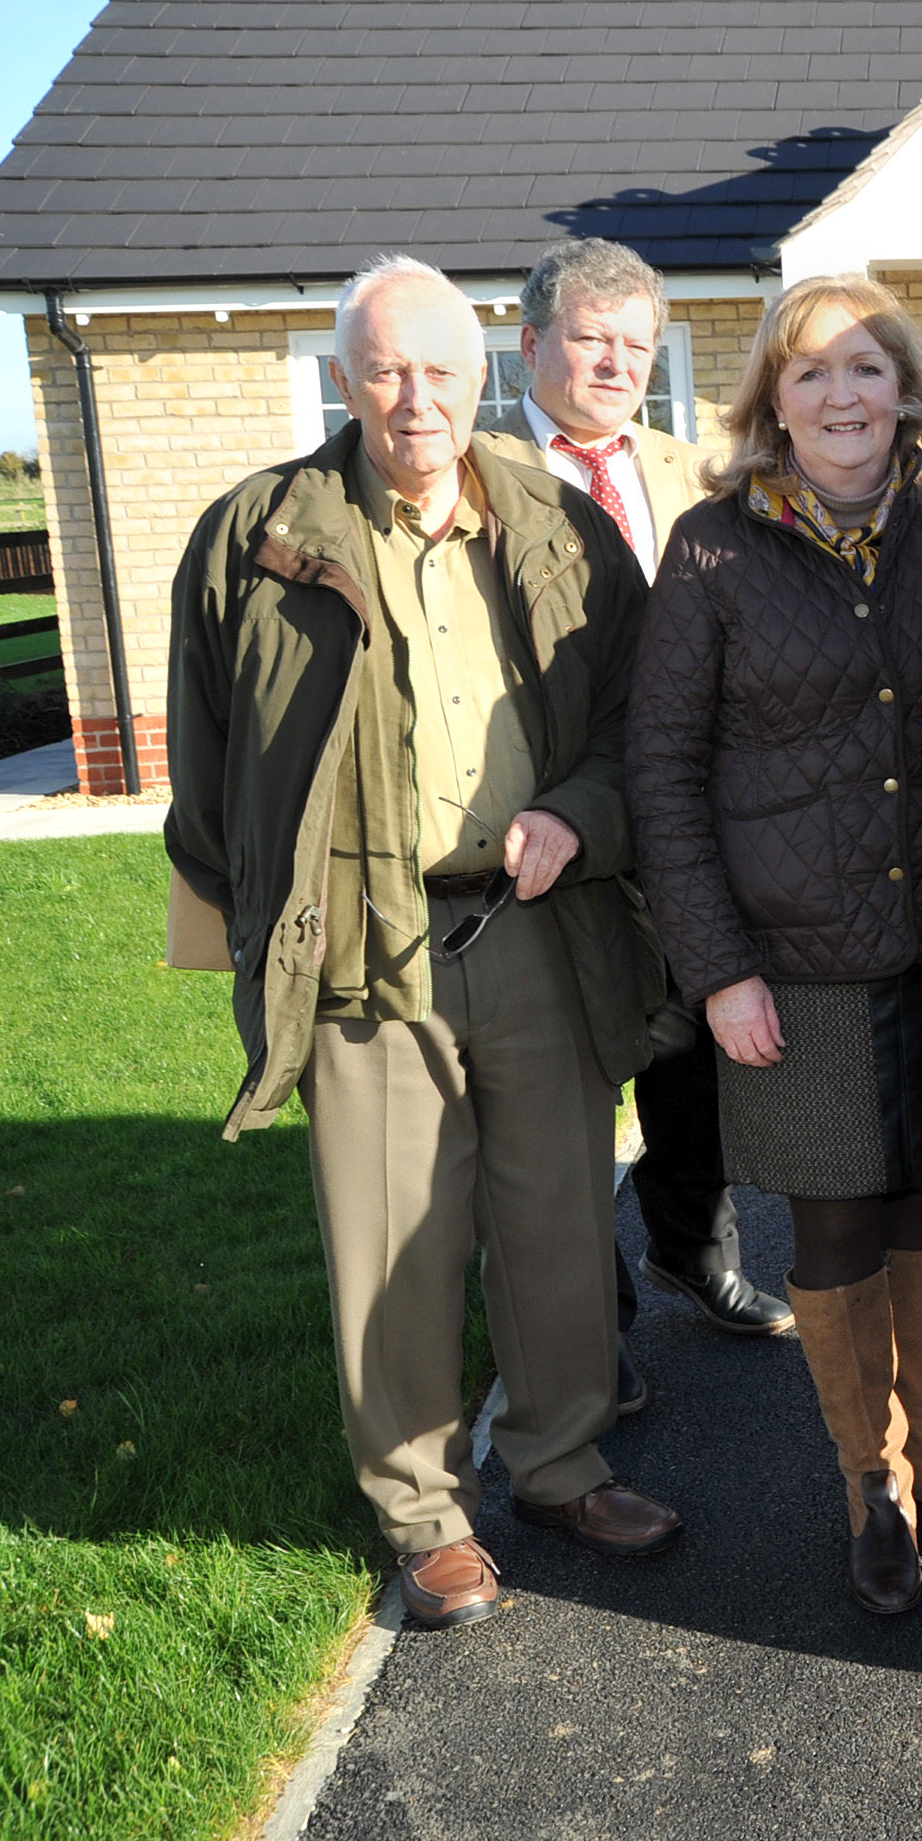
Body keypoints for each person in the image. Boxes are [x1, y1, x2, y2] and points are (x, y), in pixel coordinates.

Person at [164, 255, 683, 1632]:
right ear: (344, 378)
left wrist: (581, 813)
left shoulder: (562, 527)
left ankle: (563, 1464)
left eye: (441, 369)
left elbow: (648, 728)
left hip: (535, 923)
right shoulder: (255, 538)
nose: (415, 398)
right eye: (386, 369)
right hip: (363, 939)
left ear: (484, 374)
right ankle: (421, 1511)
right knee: (392, 1239)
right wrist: (249, 932)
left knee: (561, 1214)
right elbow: (206, 773)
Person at [626, 274, 922, 1615]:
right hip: (789, 961)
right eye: (811, 373)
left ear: (910, 394)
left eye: (867, 368)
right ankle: (872, 1487)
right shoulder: (710, 553)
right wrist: (718, 966)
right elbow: (664, 773)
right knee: (836, 1213)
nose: (843, 395)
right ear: (772, 405)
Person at [491, 237, 794, 1374]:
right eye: (589, 337)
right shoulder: (474, 468)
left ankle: (691, 1251)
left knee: (693, 1060)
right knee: (562, 1086)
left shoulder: (689, 468)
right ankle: (591, 1325)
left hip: (680, 816)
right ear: (529, 344)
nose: (614, 361)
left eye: (635, 342)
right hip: (541, 819)